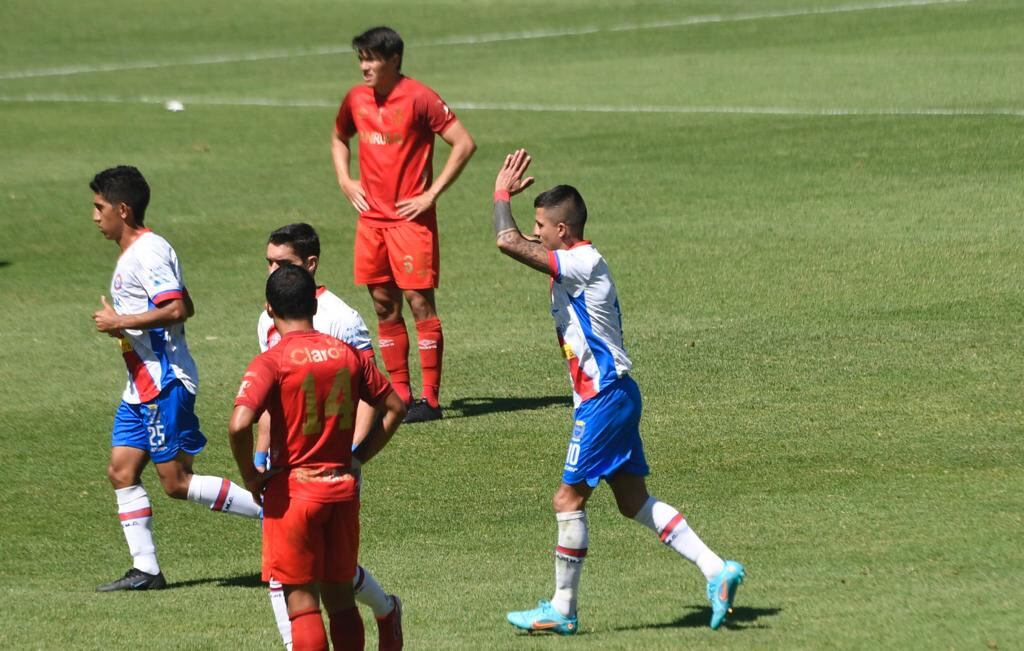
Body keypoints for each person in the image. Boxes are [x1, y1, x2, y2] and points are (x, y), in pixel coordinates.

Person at [490, 150, 746, 633]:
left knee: (567, 501)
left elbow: (507, 241)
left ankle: (563, 609)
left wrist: (501, 193)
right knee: (632, 501)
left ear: (562, 229)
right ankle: (717, 570)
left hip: (603, 398)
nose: (535, 232)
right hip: (618, 394)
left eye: (541, 225)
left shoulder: (581, 262)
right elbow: (520, 241)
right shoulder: (577, 259)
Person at [90, 165, 262, 592]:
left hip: (164, 382)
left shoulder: (146, 253)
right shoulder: (144, 250)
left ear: (123, 210)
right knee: (121, 471)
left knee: (176, 482)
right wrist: (127, 327)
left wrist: (120, 321)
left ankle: (274, 514)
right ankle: (146, 570)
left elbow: (177, 309)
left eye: (99, 207)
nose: (95, 216)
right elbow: (186, 303)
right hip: (140, 386)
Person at [229, 264, 407, 651]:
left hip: (294, 493)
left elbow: (239, 424)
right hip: (341, 488)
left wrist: (251, 476)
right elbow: (396, 406)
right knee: (341, 601)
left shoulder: (273, 361)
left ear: (269, 309)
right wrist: (359, 457)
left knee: (303, 606)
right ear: (313, 303)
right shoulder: (348, 355)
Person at [332, 25, 477, 423]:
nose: (364, 67)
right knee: (383, 304)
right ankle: (400, 394)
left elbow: (464, 143)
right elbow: (339, 137)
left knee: (418, 302)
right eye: (361, 59)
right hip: (371, 222)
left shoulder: (420, 97)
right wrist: (345, 179)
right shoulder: (355, 99)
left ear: (393, 60)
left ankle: (430, 400)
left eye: (372, 59)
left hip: (411, 221)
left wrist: (432, 194)